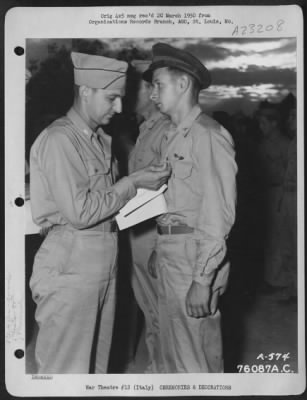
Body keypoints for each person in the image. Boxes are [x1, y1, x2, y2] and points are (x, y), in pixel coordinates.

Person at [29, 51, 171, 374]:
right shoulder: (59, 140)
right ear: (85, 92)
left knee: (94, 372)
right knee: (66, 373)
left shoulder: (97, 141)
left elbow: (106, 203)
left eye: (120, 99)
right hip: (71, 268)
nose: (119, 108)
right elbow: (80, 211)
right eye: (112, 98)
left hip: (101, 264)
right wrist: (132, 184)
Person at [143, 43, 237, 372]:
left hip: (194, 259)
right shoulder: (174, 136)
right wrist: (161, 244)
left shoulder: (209, 136)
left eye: (158, 84)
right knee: (172, 354)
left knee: (195, 363)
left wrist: (202, 278)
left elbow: (217, 212)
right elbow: (178, 202)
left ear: (183, 85)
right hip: (174, 252)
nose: (153, 94)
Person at [127, 60, 171, 372]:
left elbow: (174, 194)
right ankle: (157, 369)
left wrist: (161, 246)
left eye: (133, 89)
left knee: (164, 313)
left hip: (154, 239)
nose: (126, 96)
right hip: (137, 237)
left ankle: (166, 376)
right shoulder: (145, 130)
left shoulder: (166, 131)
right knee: (150, 310)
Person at [256, 105, 290, 293]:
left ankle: (278, 281)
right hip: (267, 193)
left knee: (278, 238)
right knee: (269, 238)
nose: (261, 126)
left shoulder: (285, 144)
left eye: (264, 123)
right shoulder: (263, 144)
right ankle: (272, 277)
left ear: (274, 123)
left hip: (279, 194)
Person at [278, 104, 297, 304]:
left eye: (294, 116)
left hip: (297, 199)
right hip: (289, 198)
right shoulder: (293, 142)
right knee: (288, 245)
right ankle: (293, 290)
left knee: (297, 246)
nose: (290, 120)